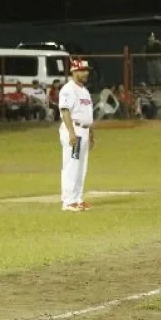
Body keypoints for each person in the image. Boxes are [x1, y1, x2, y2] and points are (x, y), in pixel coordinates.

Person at [58, 59, 95, 212]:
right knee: (71, 165)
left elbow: (87, 114)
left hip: (84, 131)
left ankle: (78, 199)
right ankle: (68, 201)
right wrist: (71, 133)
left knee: (81, 167)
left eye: (86, 70)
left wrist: (91, 134)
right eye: (82, 70)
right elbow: (65, 111)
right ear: (74, 71)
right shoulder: (68, 89)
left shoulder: (84, 90)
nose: (85, 73)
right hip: (74, 130)